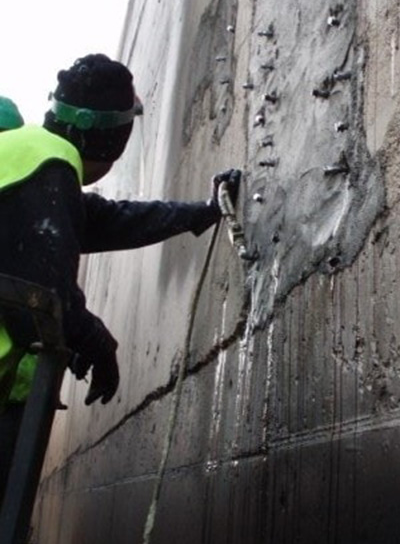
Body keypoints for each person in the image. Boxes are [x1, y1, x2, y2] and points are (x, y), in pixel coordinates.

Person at [0, 52, 240, 429]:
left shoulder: (29, 160)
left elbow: (111, 220)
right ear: (109, 141)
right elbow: (44, 293)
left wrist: (203, 211)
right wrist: (95, 341)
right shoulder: (50, 165)